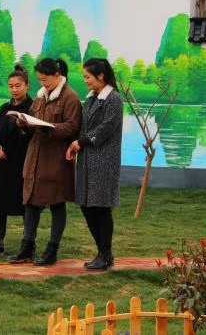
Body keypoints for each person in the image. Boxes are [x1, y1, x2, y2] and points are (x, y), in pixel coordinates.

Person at [8, 58, 82, 266]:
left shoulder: (70, 97)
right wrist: (24, 123)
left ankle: (52, 250)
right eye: (40, 80)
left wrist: (50, 128)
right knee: (31, 202)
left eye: (45, 80)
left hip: (56, 159)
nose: (43, 84)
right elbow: (33, 119)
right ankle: (27, 248)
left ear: (57, 75)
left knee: (57, 203)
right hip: (35, 156)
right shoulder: (40, 97)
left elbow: (73, 127)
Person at [67, 58, 123, 271]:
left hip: (104, 161)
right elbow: (83, 127)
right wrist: (74, 144)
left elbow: (106, 127)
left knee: (100, 208)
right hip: (87, 160)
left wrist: (81, 142)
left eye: (88, 77)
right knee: (86, 205)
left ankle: (105, 255)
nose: (85, 80)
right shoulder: (91, 99)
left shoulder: (114, 99)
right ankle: (103, 253)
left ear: (101, 76)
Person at [0, 65, 33, 257]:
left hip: (22, 162)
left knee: (25, 204)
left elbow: (36, 136)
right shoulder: (3, 109)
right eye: (11, 86)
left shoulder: (33, 109)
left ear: (27, 86)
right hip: (1, 164)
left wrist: (23, 128)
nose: (14, 90)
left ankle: (28, 244)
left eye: (18, 86)